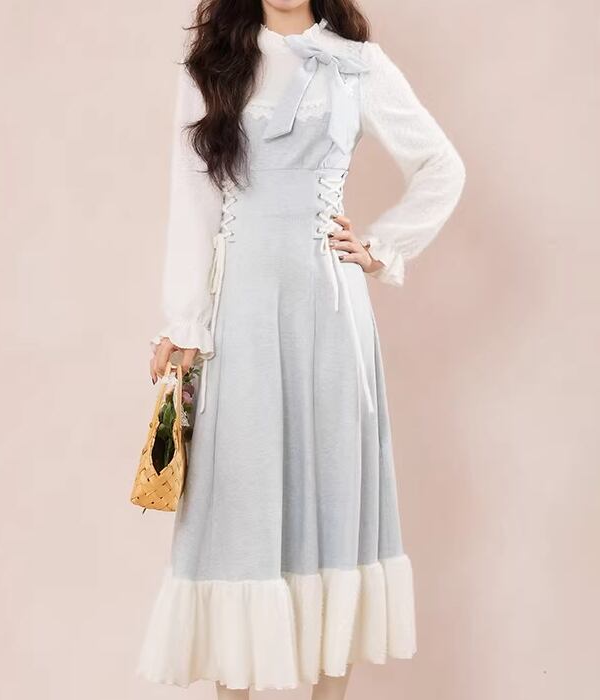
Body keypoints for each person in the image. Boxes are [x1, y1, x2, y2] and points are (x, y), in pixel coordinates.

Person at [138, 1, 466, 698]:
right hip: (242, 310)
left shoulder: (356, 62)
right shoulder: (212, 65)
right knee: (237, 504)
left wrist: (380, 247)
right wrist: (184, 323)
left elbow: (442, 166)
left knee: (333, 501)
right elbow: (192, 197)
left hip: (330, 314)